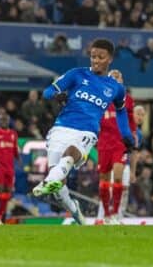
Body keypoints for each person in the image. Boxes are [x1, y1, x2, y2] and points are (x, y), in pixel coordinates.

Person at [33, 38, 135, 225]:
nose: (95, 60)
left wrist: (126, 135)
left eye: (100, 57)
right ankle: (74, 209)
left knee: (71, 152)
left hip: (87, 132)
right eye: (93, 56)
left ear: (110, 59)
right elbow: (47, 92)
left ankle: (46, 182)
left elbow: (121, 112)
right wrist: (57, 95)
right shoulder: (76, 74)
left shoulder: (115, 88)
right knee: (59, 187)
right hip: (61, 128)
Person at [95, 70, 138, 225]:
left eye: (118, 77)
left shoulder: (128, 100)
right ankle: (106, 215)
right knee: (104, 179)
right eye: (112, 77)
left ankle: (115, 214)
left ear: (122, 80)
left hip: (119, 143)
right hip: (103, 143)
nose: (115, 79)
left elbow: (131, 120)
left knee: (118, 176)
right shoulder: (100, 99)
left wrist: (133, 134)